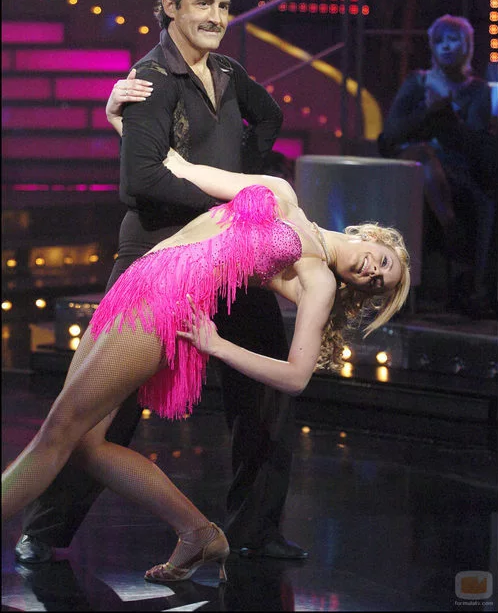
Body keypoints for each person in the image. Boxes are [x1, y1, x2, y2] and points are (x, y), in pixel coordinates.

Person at [2, 152, 411, 585]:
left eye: (377, 284)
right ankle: (198, 533)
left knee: (57, 432)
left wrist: (220, 346)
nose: (373, 272)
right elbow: (186, 170)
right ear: (375, 237)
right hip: (135, 282)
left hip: (165, 307)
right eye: (383, 262)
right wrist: (124, 121)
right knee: (84, 444)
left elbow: (296, 376)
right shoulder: (284, 193)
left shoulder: (317, 280)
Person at [15, 0, 305, 565]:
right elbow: (140, 181)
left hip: (230, 258)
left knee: (264, 393)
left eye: (224, 6)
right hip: (159, 255)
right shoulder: (149, 80)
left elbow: (271, 116)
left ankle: (254, 529)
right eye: (203, 3)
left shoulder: (227, 71)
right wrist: (231, 203)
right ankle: (45, 532)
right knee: (101, 412)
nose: (217, 17)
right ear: (170, 6)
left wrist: (244, 173)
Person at [377, 14, 497, 317]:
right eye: (440, 40)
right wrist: (429, 110)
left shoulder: (478, 90)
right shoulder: (417, 82)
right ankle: (450, 227)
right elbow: (391, 133)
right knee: (421, 156)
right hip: (412, 166)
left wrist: (447, 115)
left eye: (453, 40)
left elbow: (474, 144)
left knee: (437, 169)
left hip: (456, 172)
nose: (446, 46)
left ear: (467, 46)